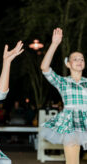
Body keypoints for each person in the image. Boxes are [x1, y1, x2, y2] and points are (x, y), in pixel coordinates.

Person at [40, 28, 87, 164]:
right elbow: (44, 68)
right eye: (75, 59)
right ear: (68, 64)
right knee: (72, 161)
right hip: (70, 121)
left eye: (82, 59)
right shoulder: (63, 82)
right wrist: (54, 44)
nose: (79, 61)